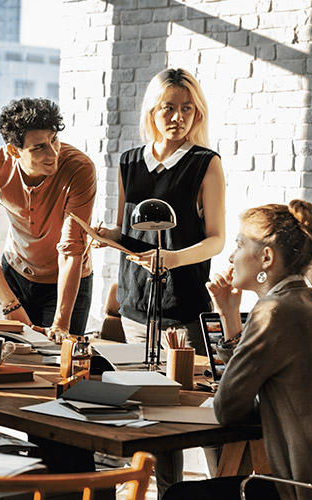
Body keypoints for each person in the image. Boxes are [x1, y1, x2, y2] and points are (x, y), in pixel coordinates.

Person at [165, 200, 312, 500]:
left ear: (266, 257)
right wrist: (229, 315)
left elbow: (228, 407)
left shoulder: (273, 312)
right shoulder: (308, 303)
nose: (232, 256)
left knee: (178, 496)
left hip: (309, 489)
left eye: (239, 245)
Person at [95, 67, 226, 352]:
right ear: (153, 110)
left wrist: (173, 259)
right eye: (169, 108)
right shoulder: (129, 162)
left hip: (184, 309)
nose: (178, 117)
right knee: (139, 392)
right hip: (134, 307)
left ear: (197, 113)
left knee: (183, 392)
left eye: (187, 109)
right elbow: (125, 230)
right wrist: (106, 234)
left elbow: (217, 240)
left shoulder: (205, 163)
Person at [0, 98, 96, 340]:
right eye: (39, 147)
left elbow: (71, 250)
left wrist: (60, 324)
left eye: (54, 140)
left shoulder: (80, 169)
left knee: (61, 361)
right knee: (14, 358)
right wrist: (9, 304)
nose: (52, 154)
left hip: (66, 280)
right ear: (14, 150)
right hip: (16, 272)